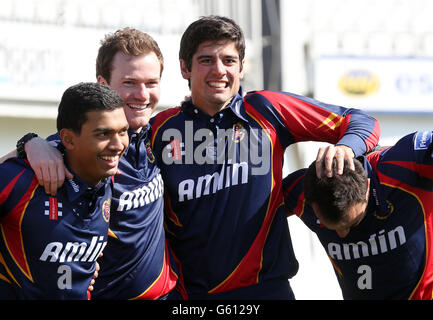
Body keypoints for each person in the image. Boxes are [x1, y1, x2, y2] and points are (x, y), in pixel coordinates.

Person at [149, 15, 381, 299]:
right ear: (185, 68)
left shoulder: (266, 109)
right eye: (206, 60)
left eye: (229, 61)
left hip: (267, 289)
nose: (219, 70)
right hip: (192, 295)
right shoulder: (159, 130)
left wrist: (346, 148)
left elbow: (361, 122)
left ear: (243, 67)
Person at [3, 28, 186, 300]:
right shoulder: (75, 150)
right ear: (103, 84)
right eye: (129, 83)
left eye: (151, 83)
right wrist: (29, 144)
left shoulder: (159, 133)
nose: (142, 94)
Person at [0, 82, 129, 299]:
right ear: (68, 138)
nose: (118, 145)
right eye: (103, 134)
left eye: (123, 131)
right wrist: (29, 143)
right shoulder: (21, 179)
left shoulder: (109, 176)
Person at [283, 131, 433, 299]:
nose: (342, 235)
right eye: (328, 226)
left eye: (351, 223)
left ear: (367, 189)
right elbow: (251, 211)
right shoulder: (299, 193)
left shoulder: (404, 166)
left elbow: (365, 122)